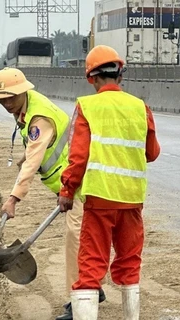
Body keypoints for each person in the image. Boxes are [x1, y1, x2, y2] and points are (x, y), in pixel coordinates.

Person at [0, 67, 106, 319]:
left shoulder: (39, 117)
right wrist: (25, 156)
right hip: (67, 183)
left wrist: (13, 199)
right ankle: (93, 286)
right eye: (1, 99)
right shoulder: (25, 110)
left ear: (23, 91)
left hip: (79, 183)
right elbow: (36, 151)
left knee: (76, 240)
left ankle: (80, 300)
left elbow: (33, 161)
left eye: (10, 97)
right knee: (86, 237)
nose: (6, 103)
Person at [58, 45, 160, 319]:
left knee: (91, 265)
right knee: (129, 263)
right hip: (132, 201)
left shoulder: (87, 106)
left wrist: (67, 190)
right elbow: (152, 153)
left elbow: (77, 158)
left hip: (100, 201)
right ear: (120, 76)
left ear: (91, 78)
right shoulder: (141, 107)